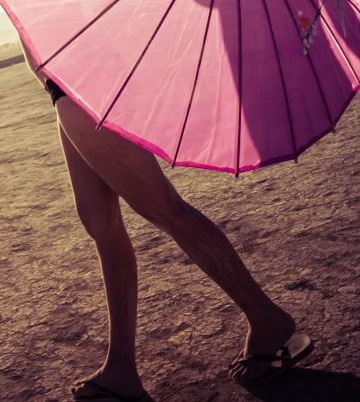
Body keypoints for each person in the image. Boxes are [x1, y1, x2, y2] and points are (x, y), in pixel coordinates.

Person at [19, 36, 312, 400]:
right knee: (100, 224)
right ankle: (121, 367)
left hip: (83, 82)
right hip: (62, 88)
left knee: (165, 209)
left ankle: (267, 319)